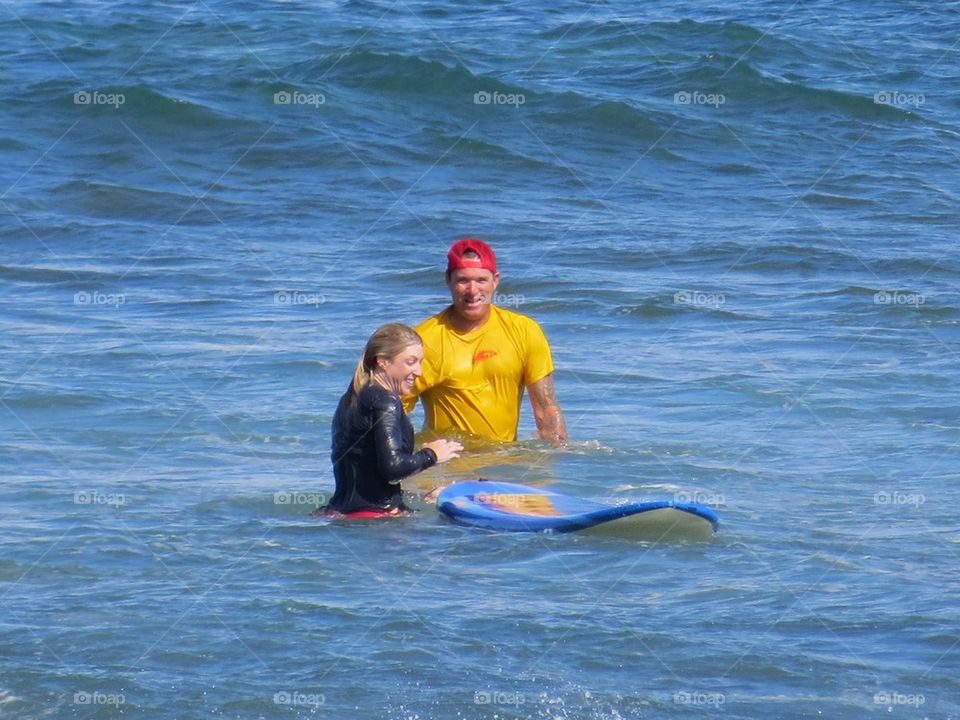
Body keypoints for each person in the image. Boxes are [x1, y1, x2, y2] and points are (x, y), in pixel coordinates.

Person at [403, 238, 568, 446]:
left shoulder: (524, 331)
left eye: (481, 280)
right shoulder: (422, 341)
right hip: (446, 463)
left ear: (495, 281)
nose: (472, 290)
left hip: (503, 460)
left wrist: (559, 458)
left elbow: (547, 409)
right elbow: (389, 411)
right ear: (448, 280)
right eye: (463, 280)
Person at [323, 323, 463, 515]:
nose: (419, 371)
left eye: (420, 362)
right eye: (410, 362)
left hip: (340, 512)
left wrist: (419, 496)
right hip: (375, 518)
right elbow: (393, 468)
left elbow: (367, 472)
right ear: (383, 362)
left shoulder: (351, 398)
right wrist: (432, 455)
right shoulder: (385, 400)